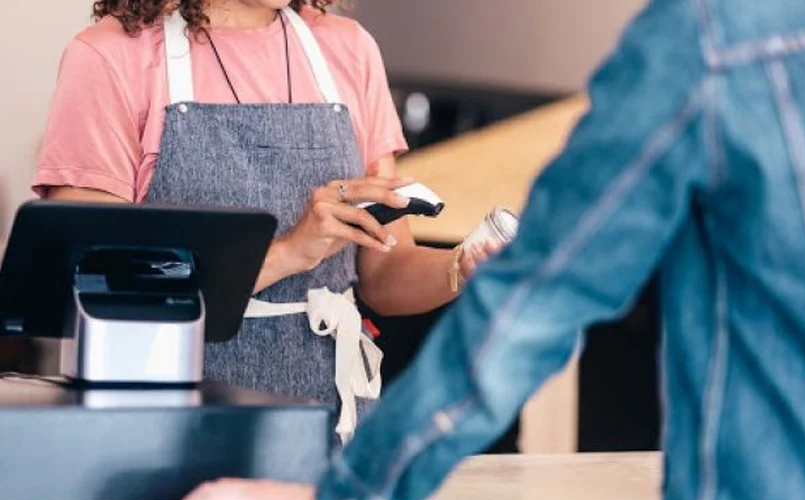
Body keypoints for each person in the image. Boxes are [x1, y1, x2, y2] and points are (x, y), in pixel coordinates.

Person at [168, 0, 805, 500]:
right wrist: (289, 251)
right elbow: (89, 274)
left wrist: (345, 495)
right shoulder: (119, 58)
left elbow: (538, 298)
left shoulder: (712, 41)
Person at [32, 0, 498, 443]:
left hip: (327, 421)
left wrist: (465, 266)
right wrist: (290, 252)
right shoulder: (110, 57)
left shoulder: (346, 48)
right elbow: (102, 290)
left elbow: (383, 274)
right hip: (165, 426)